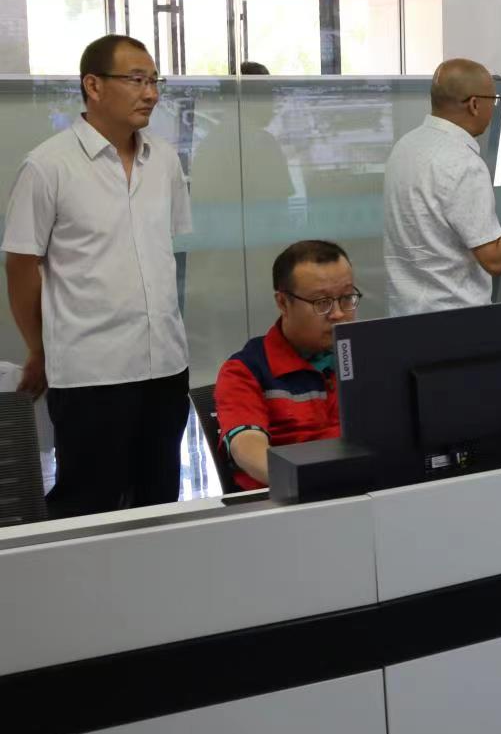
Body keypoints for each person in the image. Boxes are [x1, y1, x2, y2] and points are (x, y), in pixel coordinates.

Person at [2, 34, 192, 518]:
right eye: (137, 80)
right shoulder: (48, 166)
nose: (151, 93)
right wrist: (40, 348)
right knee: (89, 507)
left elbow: (163, 250)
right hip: (91, 372)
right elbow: (21, 265)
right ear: (93, 85)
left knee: (160, 504)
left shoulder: (164, 160)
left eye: (155, 81)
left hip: (166, 366)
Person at [381, 58, 501, 318]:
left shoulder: (406, 146)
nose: (493, 109)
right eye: (493, 100)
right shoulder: (462, 161)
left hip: (405, 315)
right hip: (455, 318)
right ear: (474, 104)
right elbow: (495, 258)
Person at [213, 240, 358, 489]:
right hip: (289, 499)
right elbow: (247, 446)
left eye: (346, 298)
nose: (338, 313)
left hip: (368, 493)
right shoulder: (246, 370)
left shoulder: (366, 354)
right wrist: (311, 482)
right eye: (322, 302)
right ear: (283, 303)